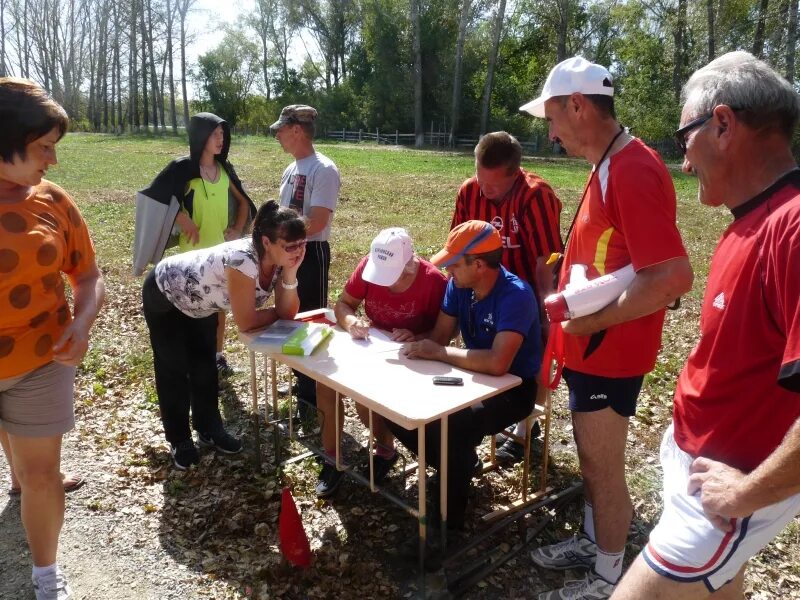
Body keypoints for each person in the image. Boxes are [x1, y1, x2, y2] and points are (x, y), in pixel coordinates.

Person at [612, 51, 800, 600]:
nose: (684, 161)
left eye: (682, 138)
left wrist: (745, 494)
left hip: (723, 497)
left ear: (722, 125)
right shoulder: (749, 221)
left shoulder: (791, 227)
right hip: (703, 470)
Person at [520, 56, 693, 599]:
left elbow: (669, 278)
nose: (548, 132)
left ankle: (607, 576)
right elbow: (617, 254)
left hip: (609, 349)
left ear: (577, 105)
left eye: (551, 118)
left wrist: (590, 318)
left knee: (602, 464)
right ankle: (597, 542)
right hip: (590, 343)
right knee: (593, 460)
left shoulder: (633, 167)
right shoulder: (609, 162)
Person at [0, 77, 105, 600]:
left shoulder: (53, 201)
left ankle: (45, 578)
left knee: (42, 476)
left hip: (42, 360)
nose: (53, 162)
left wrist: (80, 324)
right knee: (23, 466)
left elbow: (87, 275)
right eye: (44, 149)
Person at [390, 220, 542, 529]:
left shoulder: (517, 295)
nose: (448, 271)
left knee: (453, 425)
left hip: (513, 391)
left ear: (481, 264)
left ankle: (446, 525)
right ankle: (457, 468)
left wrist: (439, 352)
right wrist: (419, 340)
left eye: (455, 264)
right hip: (470, 380)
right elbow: (440, 337)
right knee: (394, 407)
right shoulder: (459, 286)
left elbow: (499, 363)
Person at [142, 201, 305, 470]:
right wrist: (276, 312)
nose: (298, 252)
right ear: (267, 242)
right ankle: (179, 440)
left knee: (204, 366)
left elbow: (287, 312)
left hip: (202, 302)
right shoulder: (243, 260)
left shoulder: (279, 261)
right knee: (174, 368)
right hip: (167, 291)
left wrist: (291, 272)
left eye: (302, 244)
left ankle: (209, 428)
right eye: (291, 246)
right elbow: (247, 322)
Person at [452, 130, 562, 463]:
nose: (485, 191)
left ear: (515, 175)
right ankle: (492, 413)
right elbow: (457, 245)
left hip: (522, 295)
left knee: (530, 361)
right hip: (483, 291)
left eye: (494, 187)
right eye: (480, 181)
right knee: (487, 358)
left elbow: (546, 261)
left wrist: (545, 316)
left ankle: (525, 430)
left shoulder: (536, 197)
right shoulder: (469, 193)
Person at [314, 227, 448, 498]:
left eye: (393, 275)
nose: (385, 283)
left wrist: (417, 337)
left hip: (413, 357)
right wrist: (352, 322)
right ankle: (332, 457)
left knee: (366, 400)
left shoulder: (433, 280)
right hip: (371, 348)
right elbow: (344, 304)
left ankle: (385, 450)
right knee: (325, 384)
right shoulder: (368, 264)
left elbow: (446, 332)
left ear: (410, 264)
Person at [133, 112, 257, 373]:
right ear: (201, 136)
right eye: (215, 134)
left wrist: (236, 228)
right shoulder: (182, 169)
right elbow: (155, 198)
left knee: (220, 305)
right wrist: (183, 220)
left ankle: (218, 355)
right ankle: (190, 356)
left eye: (223, 134)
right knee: (191, 306)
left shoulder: (225, 170)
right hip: (193, 254)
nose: (220, 139)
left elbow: (244, 201)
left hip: (222, 253)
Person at [271, 104, 340, 426]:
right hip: (288, 253)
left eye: (281, 129)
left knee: (310, 320)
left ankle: (313, 396)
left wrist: (284, 240)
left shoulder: (323, 169)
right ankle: (302, 384)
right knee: (290, 317)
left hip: (310, 254)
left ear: (296, 129)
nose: (278, 136)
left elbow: (318, 220)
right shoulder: (291, 169)